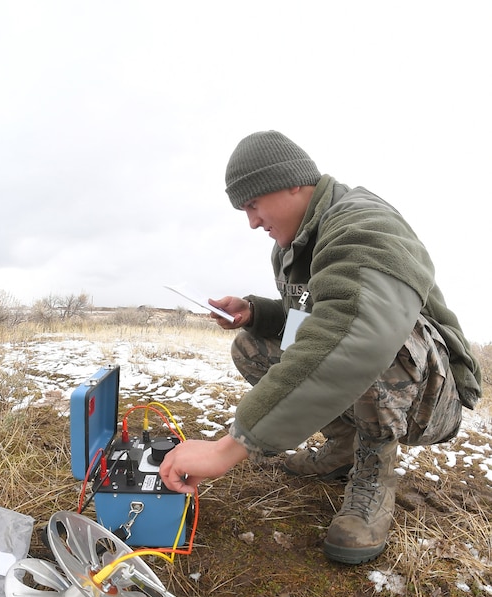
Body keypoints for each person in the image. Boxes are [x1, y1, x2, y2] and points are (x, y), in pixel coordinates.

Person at [159, 130, 482, 565]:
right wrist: (257, 314)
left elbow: (353, 333)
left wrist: (229, 447)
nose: (252, 222)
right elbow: (307, 321)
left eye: (253, 204)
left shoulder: (363, 223)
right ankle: (344, 448)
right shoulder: (292, 244)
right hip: (370, 370)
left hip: (430, 398)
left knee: (366, 340)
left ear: (293, 182)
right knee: (251, 346)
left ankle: (374, 472)